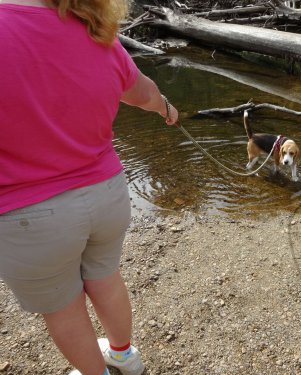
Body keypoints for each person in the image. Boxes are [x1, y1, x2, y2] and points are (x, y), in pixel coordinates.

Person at [0, 0, 178, 374]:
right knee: (105, 276)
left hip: (29, 214)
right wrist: (165, 108)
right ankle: (124, 357)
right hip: (108, 194)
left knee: (64, 306)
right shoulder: (92, 26)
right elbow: (143, 93)